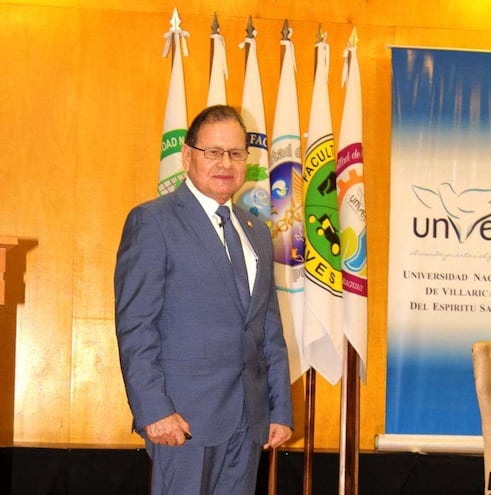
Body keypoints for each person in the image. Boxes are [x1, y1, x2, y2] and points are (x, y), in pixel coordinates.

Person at [114, 104, 293, 495]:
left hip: (248, 420)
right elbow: (135, 327)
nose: (224, 163)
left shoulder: (257, 231)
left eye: (235, 153)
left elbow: (267, 329)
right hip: (184, 420)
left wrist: (279, 410)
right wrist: (154, 410)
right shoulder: (153, 222)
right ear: (187, 156)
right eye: (213, 152)